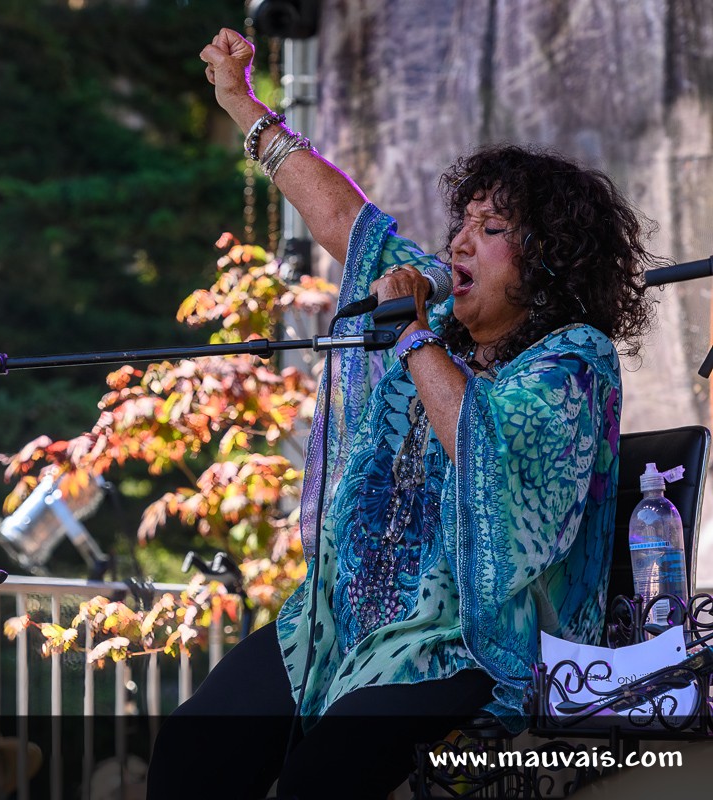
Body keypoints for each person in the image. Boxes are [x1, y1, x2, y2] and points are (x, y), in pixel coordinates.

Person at [146, 30, 658, 800]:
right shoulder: (440, 317)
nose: (459, 240)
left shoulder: (572, 360)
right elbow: (348, 223)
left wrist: (413, 334)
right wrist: (243, 106)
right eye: (464, 222)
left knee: (325, 778)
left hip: (466, 644)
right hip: (338, 619)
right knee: (195, 747)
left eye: (493, 231)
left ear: (550, 261)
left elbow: (492, 464)